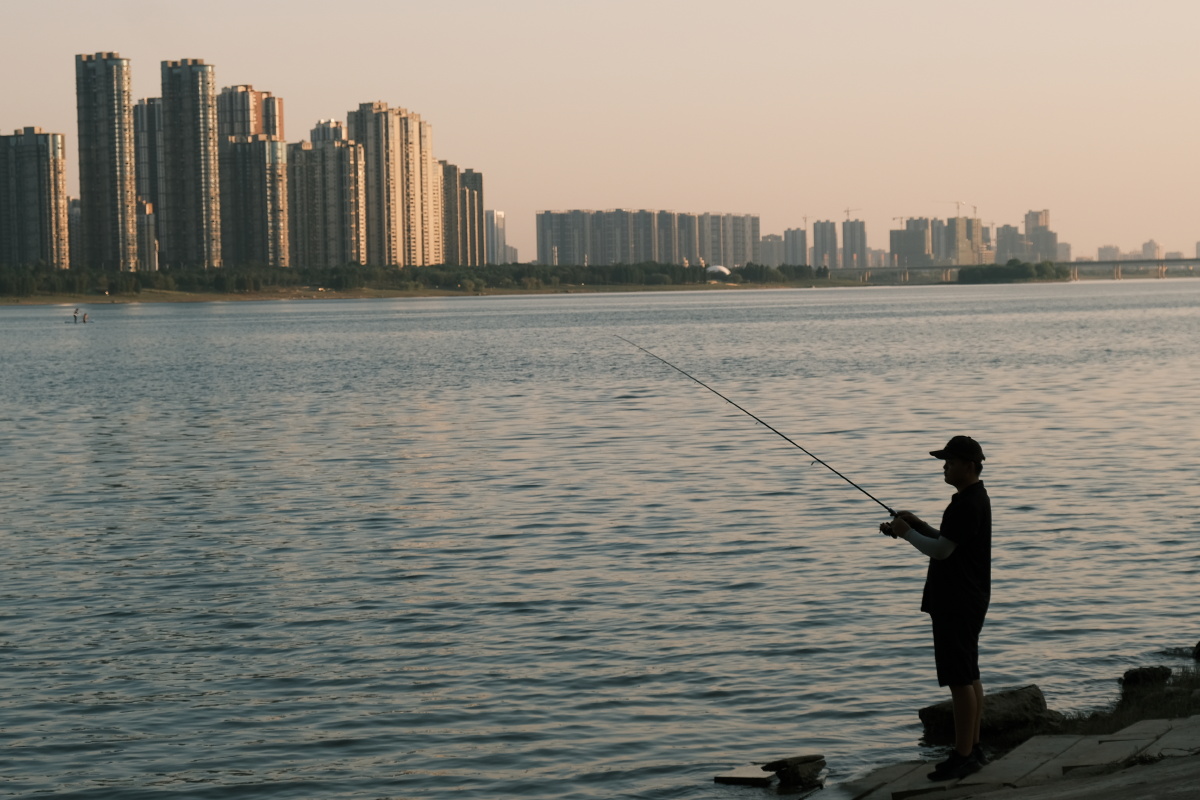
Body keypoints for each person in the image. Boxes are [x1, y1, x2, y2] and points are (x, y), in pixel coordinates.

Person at [880, 435, 991, 781]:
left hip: (957, 602)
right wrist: (916, 524)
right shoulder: (972, 499)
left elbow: (941, 552)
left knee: (959, 678)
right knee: (969, 673)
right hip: (968, 598)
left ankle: (962, 756)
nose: (944, 466)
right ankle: (972, 749)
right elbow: (948, 541)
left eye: (950, 461)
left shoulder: (965, 504)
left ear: (968, 466)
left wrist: (906, 533)